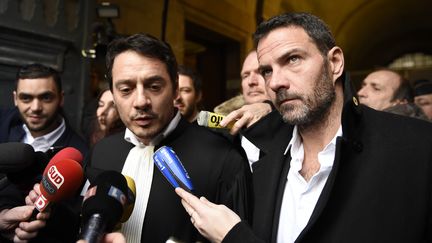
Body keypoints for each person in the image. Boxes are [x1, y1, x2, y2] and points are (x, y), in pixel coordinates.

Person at [176, 12, 432, 243]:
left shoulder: (416, 148)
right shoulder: (257, 159)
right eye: (267, 71)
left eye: (293, 59)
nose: (275, 82)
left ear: (334, 63)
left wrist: (234, 237)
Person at [84, 33, 250, 242]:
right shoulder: (101, 152)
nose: (141, 101)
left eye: (154, 87)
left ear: (175, 89)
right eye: (126, 89)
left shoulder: (224, 159)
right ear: (113, 94)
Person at [0, 63, 88, 242]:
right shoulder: (4, 125)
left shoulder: (80, 154)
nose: (35, 107)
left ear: (61, 99)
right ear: (15, 98)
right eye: (26, 98)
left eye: (46, 98)